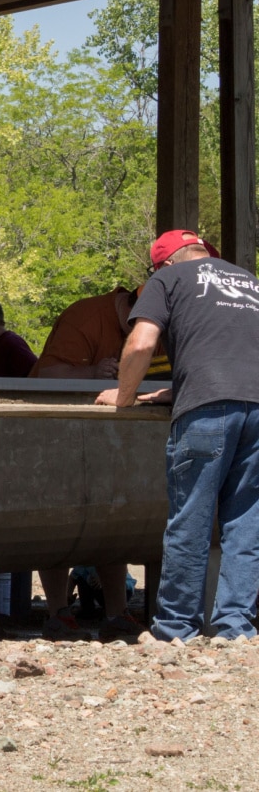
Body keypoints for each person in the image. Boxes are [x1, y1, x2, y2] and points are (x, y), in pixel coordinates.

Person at [97, 230, 259, 642]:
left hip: (207, 412)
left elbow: (141, 344)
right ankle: (235, 630)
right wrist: (181, 385)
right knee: (246, 523)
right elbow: (231, 352)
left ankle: (175, 630)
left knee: (192, 520)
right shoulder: (249, 282)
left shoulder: (167, 280)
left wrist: (126, 394)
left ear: (164, 262)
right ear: (204, 254)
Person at [31, 285, 148, 641]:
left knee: (111, 518)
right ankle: (58, 612)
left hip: (115, 437)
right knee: (57, 517)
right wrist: (94, 372)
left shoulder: (158, 325)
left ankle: (118, 612)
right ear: (130, 310)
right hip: (59, 430)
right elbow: (45, 377)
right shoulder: (85, 315)